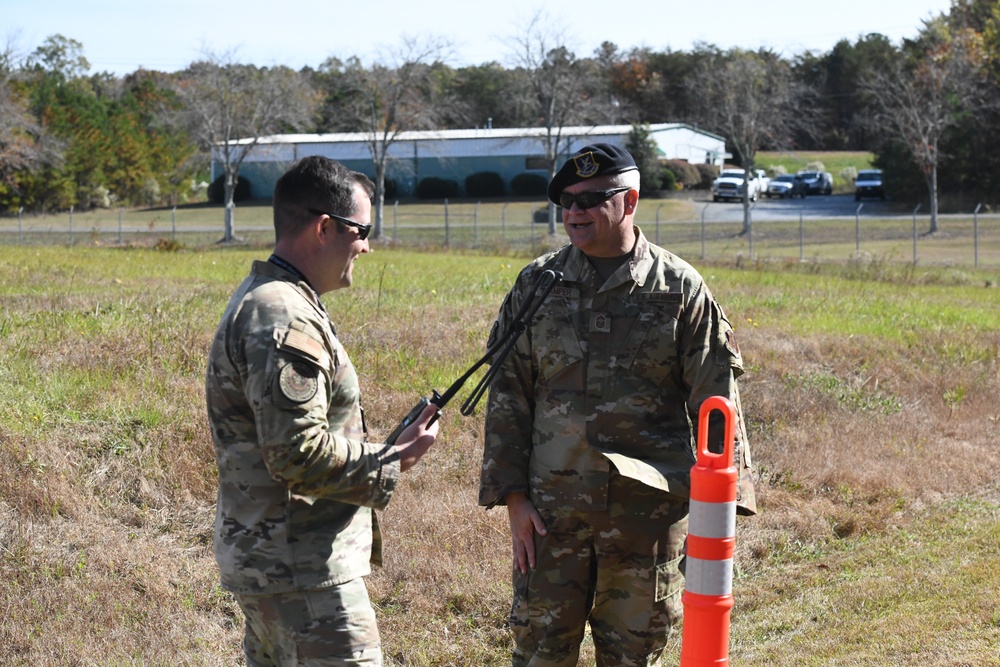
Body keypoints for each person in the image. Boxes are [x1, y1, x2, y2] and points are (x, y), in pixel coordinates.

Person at [480, 144, 757, 667]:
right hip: (550, 520)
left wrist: (718, 517)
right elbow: (508, 396)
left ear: (629, 201)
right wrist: (513, 499)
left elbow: (716, 406)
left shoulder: (679, 290)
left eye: (590, 199)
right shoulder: (537, 286)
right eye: (566, 201)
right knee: (538, 654)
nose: (574, 212)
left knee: (633, 658)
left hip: (645, 523)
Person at [205, 155, 439, 666]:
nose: (366, 246)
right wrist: (392, 458)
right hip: (302, 573)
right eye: (362, 230)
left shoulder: (274, 299)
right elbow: (294, 453)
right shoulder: (283, 314)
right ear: (324, 227)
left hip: (279, 566)